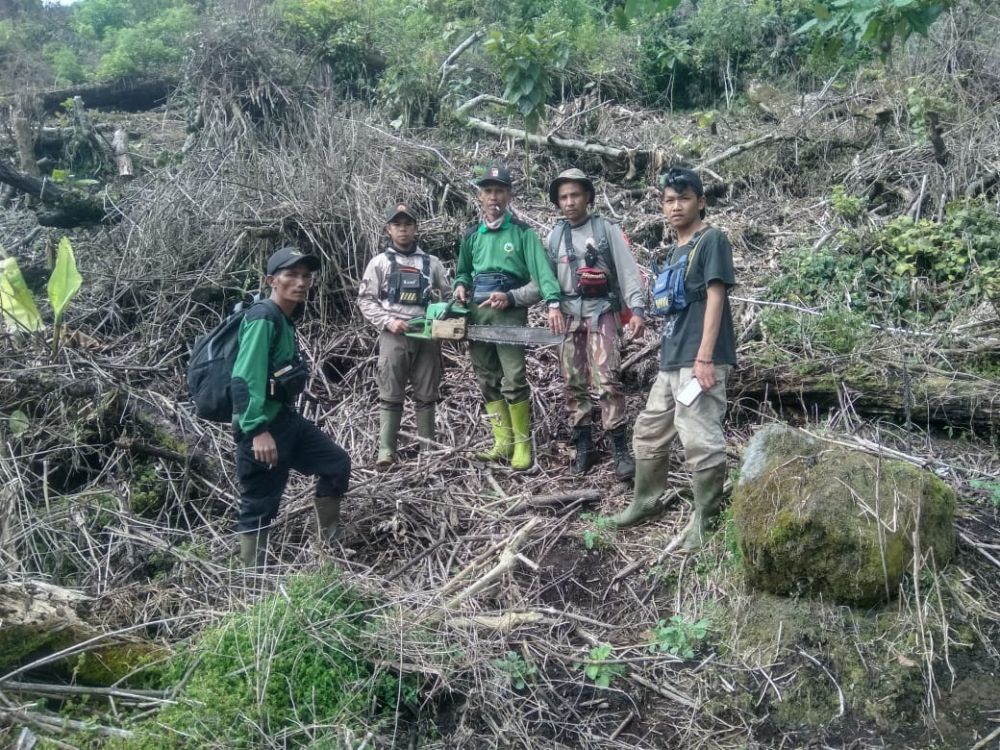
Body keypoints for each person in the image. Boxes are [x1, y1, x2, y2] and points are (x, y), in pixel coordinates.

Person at [609, 167, 736, 551]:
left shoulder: (711, 240)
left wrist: (704, 358)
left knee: (699, 437)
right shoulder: (673, 252)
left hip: (699, 360)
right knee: (649, 431)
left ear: (701, 202)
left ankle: (705, 519)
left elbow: (716, 297)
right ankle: (646, 500)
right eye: (668, 200)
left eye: (683, 198)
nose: (675, 206)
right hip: (672, 358)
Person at [231, 246, 351, 567]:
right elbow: (244, 379)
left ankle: (326, 549)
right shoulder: (263, 318)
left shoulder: (285, 319)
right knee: (260, 506)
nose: (301, 282)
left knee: (336, 464)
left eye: (306, 276)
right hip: (261, 429)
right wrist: (257, 431)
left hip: (286, 422)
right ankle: (252, 585)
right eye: (291, 275)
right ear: (271, 280)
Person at [452, 165, 565, 471]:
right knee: (486, 377)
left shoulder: (522, 233)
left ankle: (523, 445)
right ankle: (502, 443)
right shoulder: (471, 235)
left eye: (499, 190)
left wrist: (553, 302)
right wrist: (460, 284)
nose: (493, 197)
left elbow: (542, 276)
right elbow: (462, 271)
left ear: (509, 195)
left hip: (508, 312)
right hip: (477, 311)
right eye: (488, 191)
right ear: (480, 196)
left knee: (513, 377)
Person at [545, 168, 646, 480]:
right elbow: (544, 281)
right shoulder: (554, 236)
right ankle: (584, 445)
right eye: (563, 197)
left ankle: (620, 449)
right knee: (572, 382)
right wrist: (511, 297)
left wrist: (638, 309)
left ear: (587, 196)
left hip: (601, 311)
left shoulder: (606, 230)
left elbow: (629, 271)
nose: (569, 202)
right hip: (567, 317)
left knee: (606, 379)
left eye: (575, 195)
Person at [357, 203, 451, 467]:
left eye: (408, 224)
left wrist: (444, 314)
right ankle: (386, 452)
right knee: (390, 393)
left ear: (415, 228)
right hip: (394, 336)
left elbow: (447, 296)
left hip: (427, 336)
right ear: (389, 229)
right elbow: (365, 300)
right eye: (397, 224)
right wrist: (388, 321)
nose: (403, 229)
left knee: (427, 394)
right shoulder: (379, 263)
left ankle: (428, 451)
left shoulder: (432, 263)